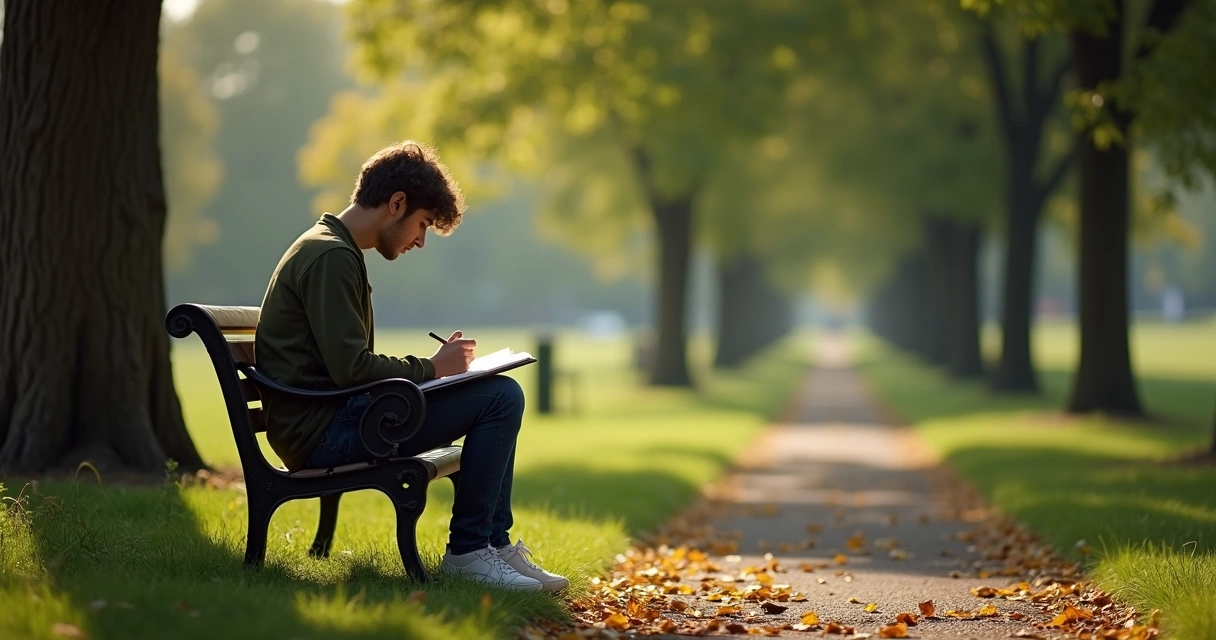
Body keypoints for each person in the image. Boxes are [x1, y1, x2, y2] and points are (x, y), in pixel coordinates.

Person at [253, 140, 567, 592]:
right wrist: (434, 368)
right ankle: (470, 552)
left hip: (330, 417)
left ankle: (493, 547)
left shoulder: (335, 250)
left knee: (496, 394)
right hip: (323, 433)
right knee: (500, 397)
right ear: (396, 203)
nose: (420, 241)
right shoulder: (331, 256)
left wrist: (440, 374)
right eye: (421, 225)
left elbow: (345, 369)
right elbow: (351, 368)